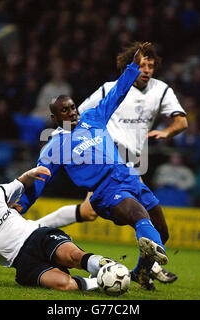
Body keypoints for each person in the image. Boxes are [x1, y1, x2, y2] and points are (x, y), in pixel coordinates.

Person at [17, 43, 170, 290]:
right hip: (105, 190)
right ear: (55, 118)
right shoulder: (56, 145)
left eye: (73, 107)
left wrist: (133, 65)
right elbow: (40, 177)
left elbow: (118, 91)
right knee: (140, 216)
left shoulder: (92, 117)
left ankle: (142, 271)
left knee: (162, 231)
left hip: (128, 175)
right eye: (65, 110)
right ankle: (148, 247)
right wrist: (22, 205)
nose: (72, 112)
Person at [0, 167, 118, 292]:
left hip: (38, 236)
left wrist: (32, 173)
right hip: (23, 263)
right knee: (63, 285)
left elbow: (19, 183)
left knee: (74, 257)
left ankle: (112, 270)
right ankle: (102, 282)